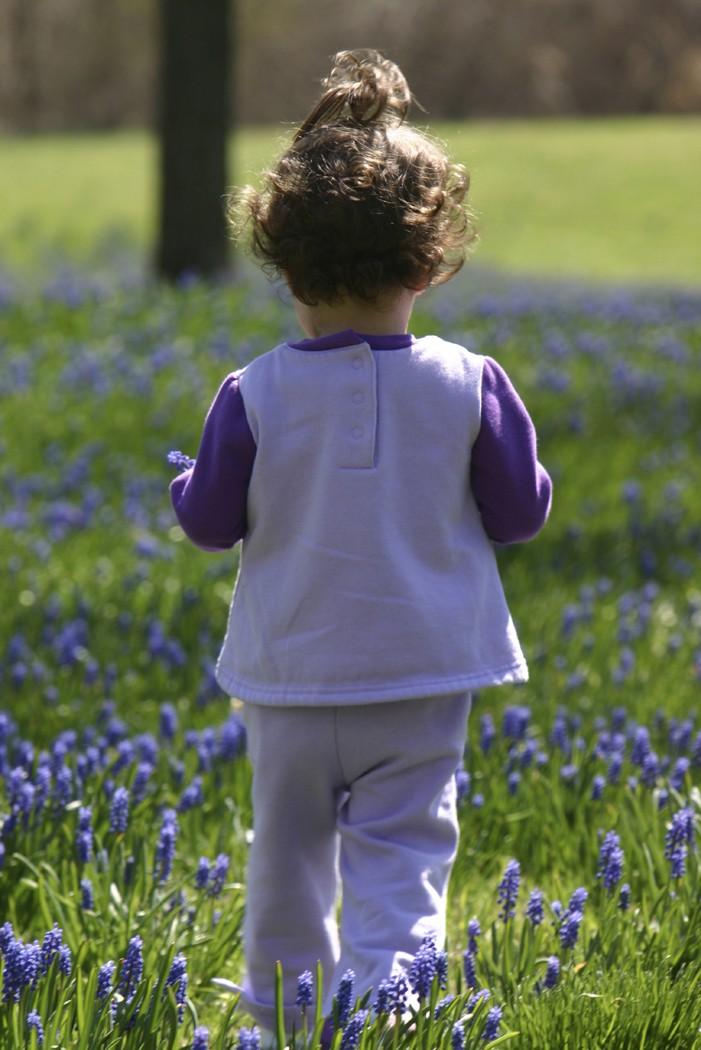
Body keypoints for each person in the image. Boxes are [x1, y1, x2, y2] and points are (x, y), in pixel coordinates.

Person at [169, 48, 552, 1049]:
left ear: (283, 263)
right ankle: (393, 1012)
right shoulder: (473, 383)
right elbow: (517, 515)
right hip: (421, 675)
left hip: (292, 677)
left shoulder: (250, 393)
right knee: (402, 855)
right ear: (429, 263)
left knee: (285, 861)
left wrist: (184, 481)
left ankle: (283, 1023)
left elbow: (208, 523)